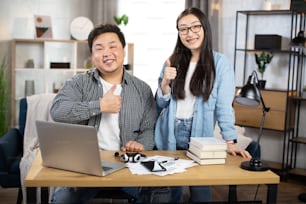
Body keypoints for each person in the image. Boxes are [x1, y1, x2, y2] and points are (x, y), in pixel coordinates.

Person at [50, 24, 157, 203]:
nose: (106, 53)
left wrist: (140, 144)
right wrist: (99, 105)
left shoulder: (143, 89)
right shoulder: (78, 83)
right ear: (92, 56)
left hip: (127, 165)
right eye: (99, 48)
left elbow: (149, 129)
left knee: (157, 193)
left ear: (123, 50)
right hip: (85, 165)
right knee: (63, 198)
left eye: (112, 46)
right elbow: (57, 111)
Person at [154, 7, 252, 203]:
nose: (189, 33)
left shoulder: (220, 63)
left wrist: (230, 140)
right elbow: (159, 104)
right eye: (183, 29)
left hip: (200, 135)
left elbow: (224, 106)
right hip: (170, 131)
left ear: (205, 28)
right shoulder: (172, 61)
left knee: (200, 190)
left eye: (195, 27)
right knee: (170, 190)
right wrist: (165, 83)